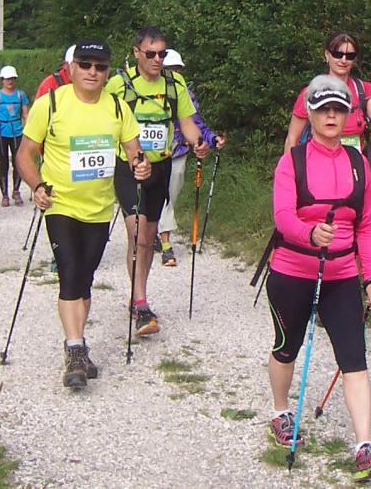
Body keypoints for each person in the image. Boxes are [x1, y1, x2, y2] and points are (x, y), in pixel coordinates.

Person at [265, 74, 371, 481]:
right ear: (312, 113)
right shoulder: (293, 160)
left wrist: (369, 277)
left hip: (340, 274)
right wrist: (309, 232)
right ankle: (281, 412)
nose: (332, 116)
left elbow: (368, 222)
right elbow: (283, 215)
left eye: (339, 109)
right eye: (324, 110)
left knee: (354, 358)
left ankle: (363, 446)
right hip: (292, 269)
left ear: (348, 116)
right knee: (287, 347)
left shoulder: (358, 163)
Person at [16, 39, 150, 388]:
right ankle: (74, 348)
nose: (93, 72)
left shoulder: (118, 108)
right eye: (86, 64)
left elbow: (135, 151)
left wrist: (141, 166)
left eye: (100, 66)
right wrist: (37, 186)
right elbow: (25, 154)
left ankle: (78, 345)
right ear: (72, 68)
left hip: (100, 208)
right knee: (70, 273)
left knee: (85, 278)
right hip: (60, 203)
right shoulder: (52, 103)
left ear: (107, 72)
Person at [106, 26, 211, 336]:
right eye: (150, 53)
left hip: (161, 166)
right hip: (128, 166)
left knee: (149, 235)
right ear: (137, 52)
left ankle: (139, 293)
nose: (156, 59)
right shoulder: (118, 84)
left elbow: (186, 122)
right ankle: (140, 302)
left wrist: (197, 143)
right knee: (138, 233)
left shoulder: (173, 83)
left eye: (162, 54)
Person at [283, 32, 371, 176]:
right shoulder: (311, 92)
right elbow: (292, 139)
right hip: (317, 169)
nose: (343, 60)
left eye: (349, 56)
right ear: (327, 55)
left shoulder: (364, 90)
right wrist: (291, 175)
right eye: (337, 54)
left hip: (354, 169)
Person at [156, 48, 225, 266]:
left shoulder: (185, 92)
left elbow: (196, 123)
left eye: (178, 70)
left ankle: (161, 237)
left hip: (177, 154)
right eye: (171, 70)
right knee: (153, 198)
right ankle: (163, 243)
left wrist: (212, 139)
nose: (175, 74)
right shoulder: (144, 92)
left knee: (170, 197)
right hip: (149, 157)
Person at [0, 65, 30, 207]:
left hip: (17, 132)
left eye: (12, 78)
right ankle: (5, 194)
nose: (10, 81)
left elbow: (26, 114)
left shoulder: (21, 95)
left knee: (18, 163)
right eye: (7, 79)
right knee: (2, 165)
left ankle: (16, 190)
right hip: (2, 132)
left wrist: (28, 130)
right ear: (2, 80)